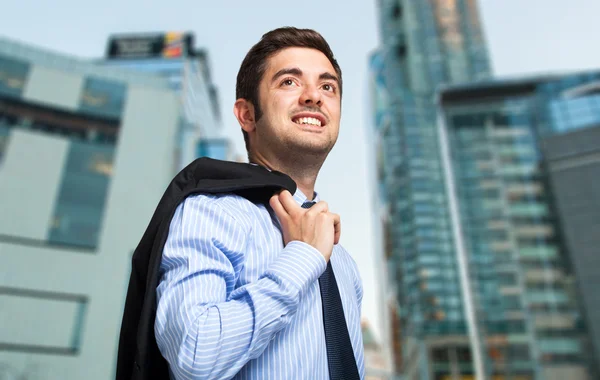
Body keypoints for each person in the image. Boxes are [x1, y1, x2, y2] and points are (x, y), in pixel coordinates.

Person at [154, 27, 364, 379]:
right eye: (289, 82)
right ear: (247, 115)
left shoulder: (343, 262)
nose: (314, 96)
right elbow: (194, 356)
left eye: (328, 86)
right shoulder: (212, 211)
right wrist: (303, 258)